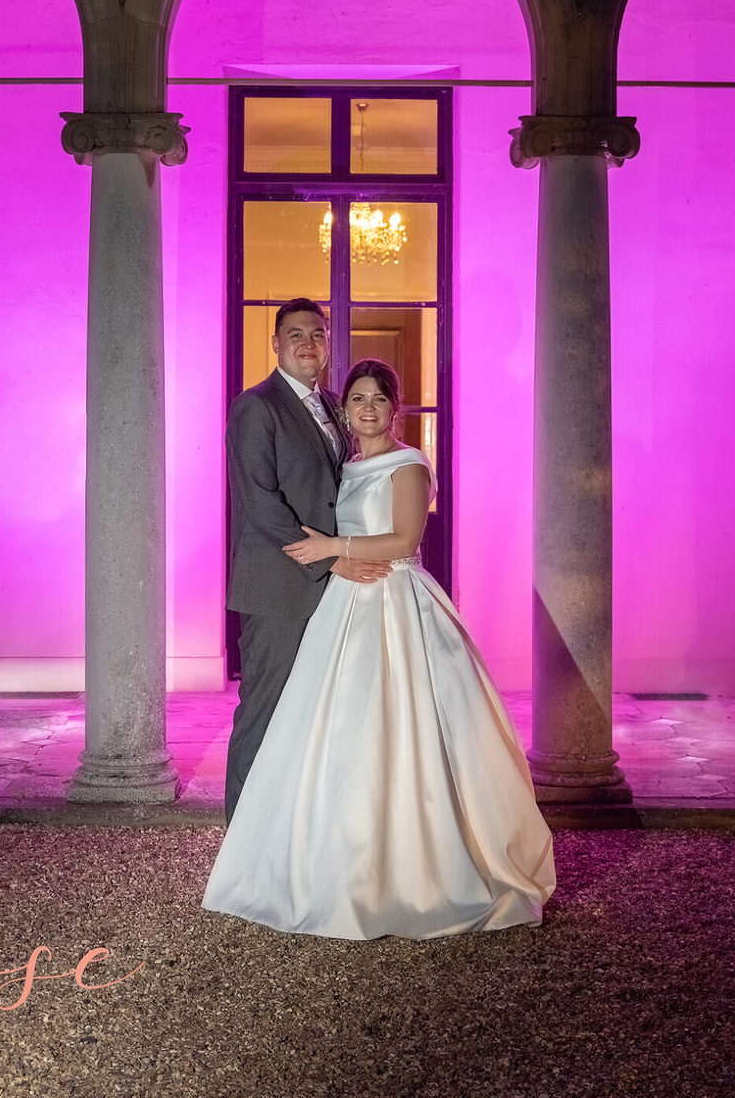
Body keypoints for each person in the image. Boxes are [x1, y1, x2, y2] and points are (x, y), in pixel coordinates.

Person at [204, 358, 556, 939]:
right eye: (358, 399)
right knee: (336, 730)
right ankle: (334, 857)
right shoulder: (348, 466)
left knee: (404, 726)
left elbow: (404, 538)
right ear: (346, 411)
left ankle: (418, 865)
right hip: (344, 602)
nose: (367, 408)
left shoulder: (410, 463)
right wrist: (335, 557)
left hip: (396, 600)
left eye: (378, 399)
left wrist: (331, 546)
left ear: (395, 408)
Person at [222, 299, 392, 826]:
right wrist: (331, 561)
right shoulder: (256, 406)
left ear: (327, 344)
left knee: (312, 712)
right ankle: (243, 837)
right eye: (294, 334)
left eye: (317, 335)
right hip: (278, 586)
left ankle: (293, 831)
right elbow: (261, 503)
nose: (306, 344)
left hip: (330, 587)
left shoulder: (334, 408)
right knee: (264, 709)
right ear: (275, 344)